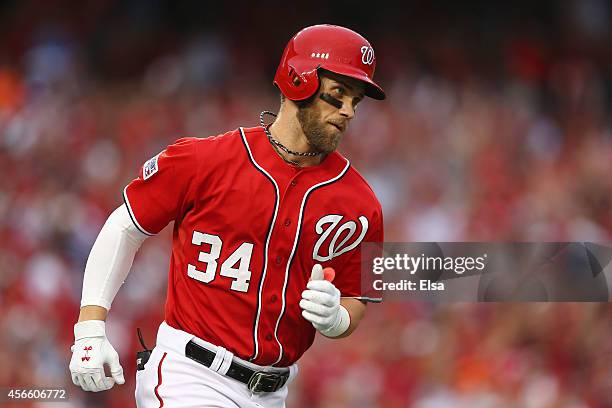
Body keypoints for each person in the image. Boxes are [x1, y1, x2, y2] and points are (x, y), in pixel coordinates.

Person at [69, 24, 385, 407]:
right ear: (299, 80)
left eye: (356, 101)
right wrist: (89, 326)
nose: (348, 111)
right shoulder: (205, 159)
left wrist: (337, 319)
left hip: (273, 392)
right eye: (338, 95)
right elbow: (125, 225)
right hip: (190, 374)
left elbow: (357, 297)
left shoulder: (359, 201)